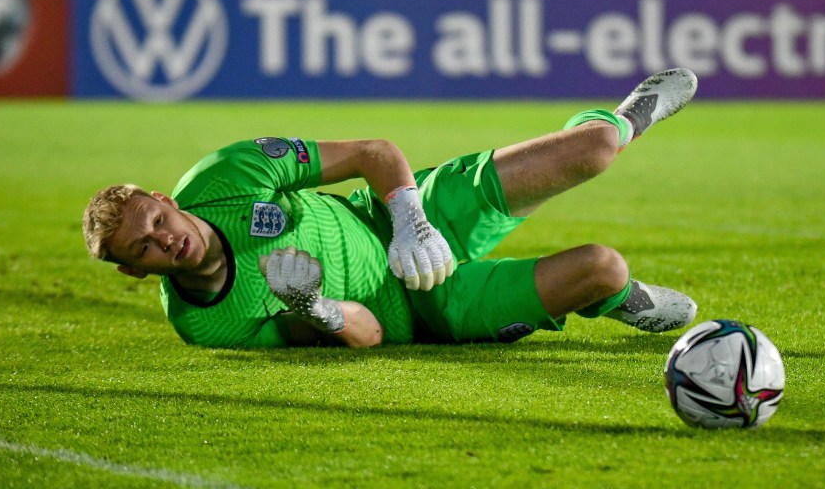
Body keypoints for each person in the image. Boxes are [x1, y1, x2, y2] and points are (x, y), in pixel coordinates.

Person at [82, 68, 700, 349]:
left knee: (592, 151)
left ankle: (623, 118)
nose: (165, 241)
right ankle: (617, 299)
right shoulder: (205, 325)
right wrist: (316, 309)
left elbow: (372, 152)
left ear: (164, 200)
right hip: (428, 311)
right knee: (602, 267)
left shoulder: (226, 175)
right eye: (144, 249)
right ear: (136, 272)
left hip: (400, 219)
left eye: (157, 222)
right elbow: (369, 335)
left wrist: (410, 220)